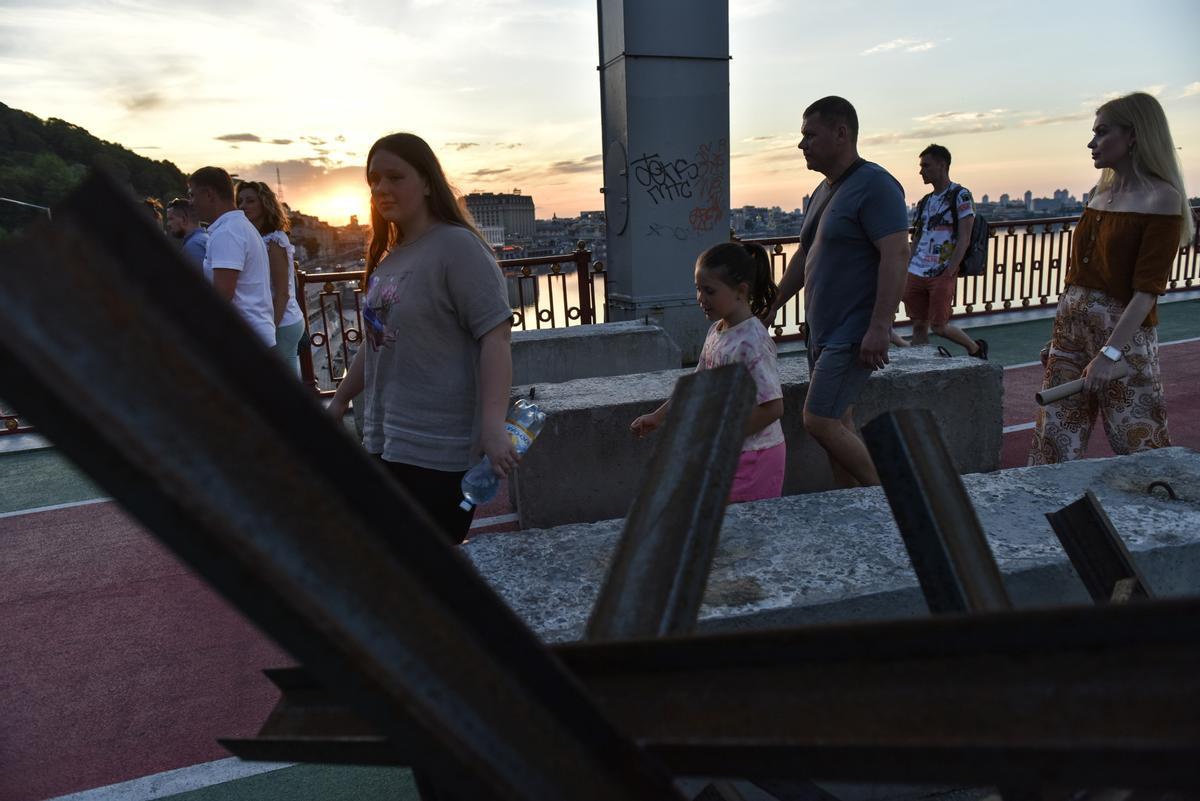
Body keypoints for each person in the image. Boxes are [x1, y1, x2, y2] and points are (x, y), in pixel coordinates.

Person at [326, 133, 516, 544]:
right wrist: (340, 399)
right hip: (387, 437)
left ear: (427, 182)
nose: (381, 189)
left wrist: (493, 426)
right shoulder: (392, 257)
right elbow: (375, 344)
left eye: (395, 177)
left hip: (439, 448)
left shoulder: (457, 247)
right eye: (374, 179)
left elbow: (496, 337)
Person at [1029, 92, 1192, 464]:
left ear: (1133, 135)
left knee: (1139, 443)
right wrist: (1060, 339)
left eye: (1102, 132)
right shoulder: (1097, 194)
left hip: (1123, 340)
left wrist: (1109, 353)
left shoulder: (1162, 199)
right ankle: (1049, 517)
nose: (1092, 142)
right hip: (1071, 331)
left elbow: (1147, 290)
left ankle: (1159, 518)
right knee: (1052, 442)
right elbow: (1079, 278)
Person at [761, 96, 910, 487]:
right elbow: (806, 255)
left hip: (852, 332)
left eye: (810, 134)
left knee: (820, 420)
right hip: (821, 332)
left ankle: (896, 500)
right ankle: (849, 508)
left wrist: (880, 326)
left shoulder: (876, 185)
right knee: (839, 421)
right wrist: (775, 303)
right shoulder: (823, 191)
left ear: (841, 133)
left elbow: (896, 255)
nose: (801, 144)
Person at [631, 242, 786, 503]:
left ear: (741, 291)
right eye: (698, 289)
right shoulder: (717, 332)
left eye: (710, 291)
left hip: (755, 457)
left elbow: (773, 407)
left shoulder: (752, 342)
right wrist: (658, 417)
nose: (701, 299)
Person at [899, 144, 988, 359]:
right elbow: (918, 237)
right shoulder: (925, 202)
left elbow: (965, 236)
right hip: (916, 270)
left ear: (942, 165)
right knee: (919, 324)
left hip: (941, 271)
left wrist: (950, 270)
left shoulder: (961, 195)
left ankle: (975, 348)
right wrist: (907, 266)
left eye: (926, 165)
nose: (921, 171)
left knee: (939, 325)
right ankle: (922, 365)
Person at [188, 166, 276, 347]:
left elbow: (222, 295)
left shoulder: (227, 233)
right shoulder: (240, 226)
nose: (191, 202)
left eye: (193, 195)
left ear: (209, 194)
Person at [236, 180, 306, 374]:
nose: (243, 206)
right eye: (240, 201)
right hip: (286, 319)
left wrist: (270, 329)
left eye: (250, 201)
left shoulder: (273, 240)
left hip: (281, 322)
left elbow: (282, 292)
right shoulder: (259, 237)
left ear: (264, 203)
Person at [165, 197, 208, 269]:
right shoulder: (205, 238)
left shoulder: (193, 245)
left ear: (184, 219)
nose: (168, 224)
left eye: (171, 219)